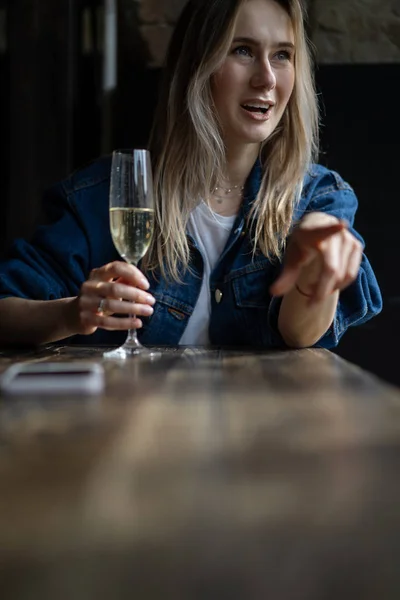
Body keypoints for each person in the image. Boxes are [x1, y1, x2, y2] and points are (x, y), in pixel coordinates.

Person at [0, 0, 382, 349]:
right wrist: (71, 313)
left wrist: (313, 269)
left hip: (264, 423)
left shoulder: (317, 197)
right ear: (198, 65)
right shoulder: (106, 195)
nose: (266, 79)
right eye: (242, 50)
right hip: (133, 423)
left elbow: (298, 334)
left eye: (282, 55)